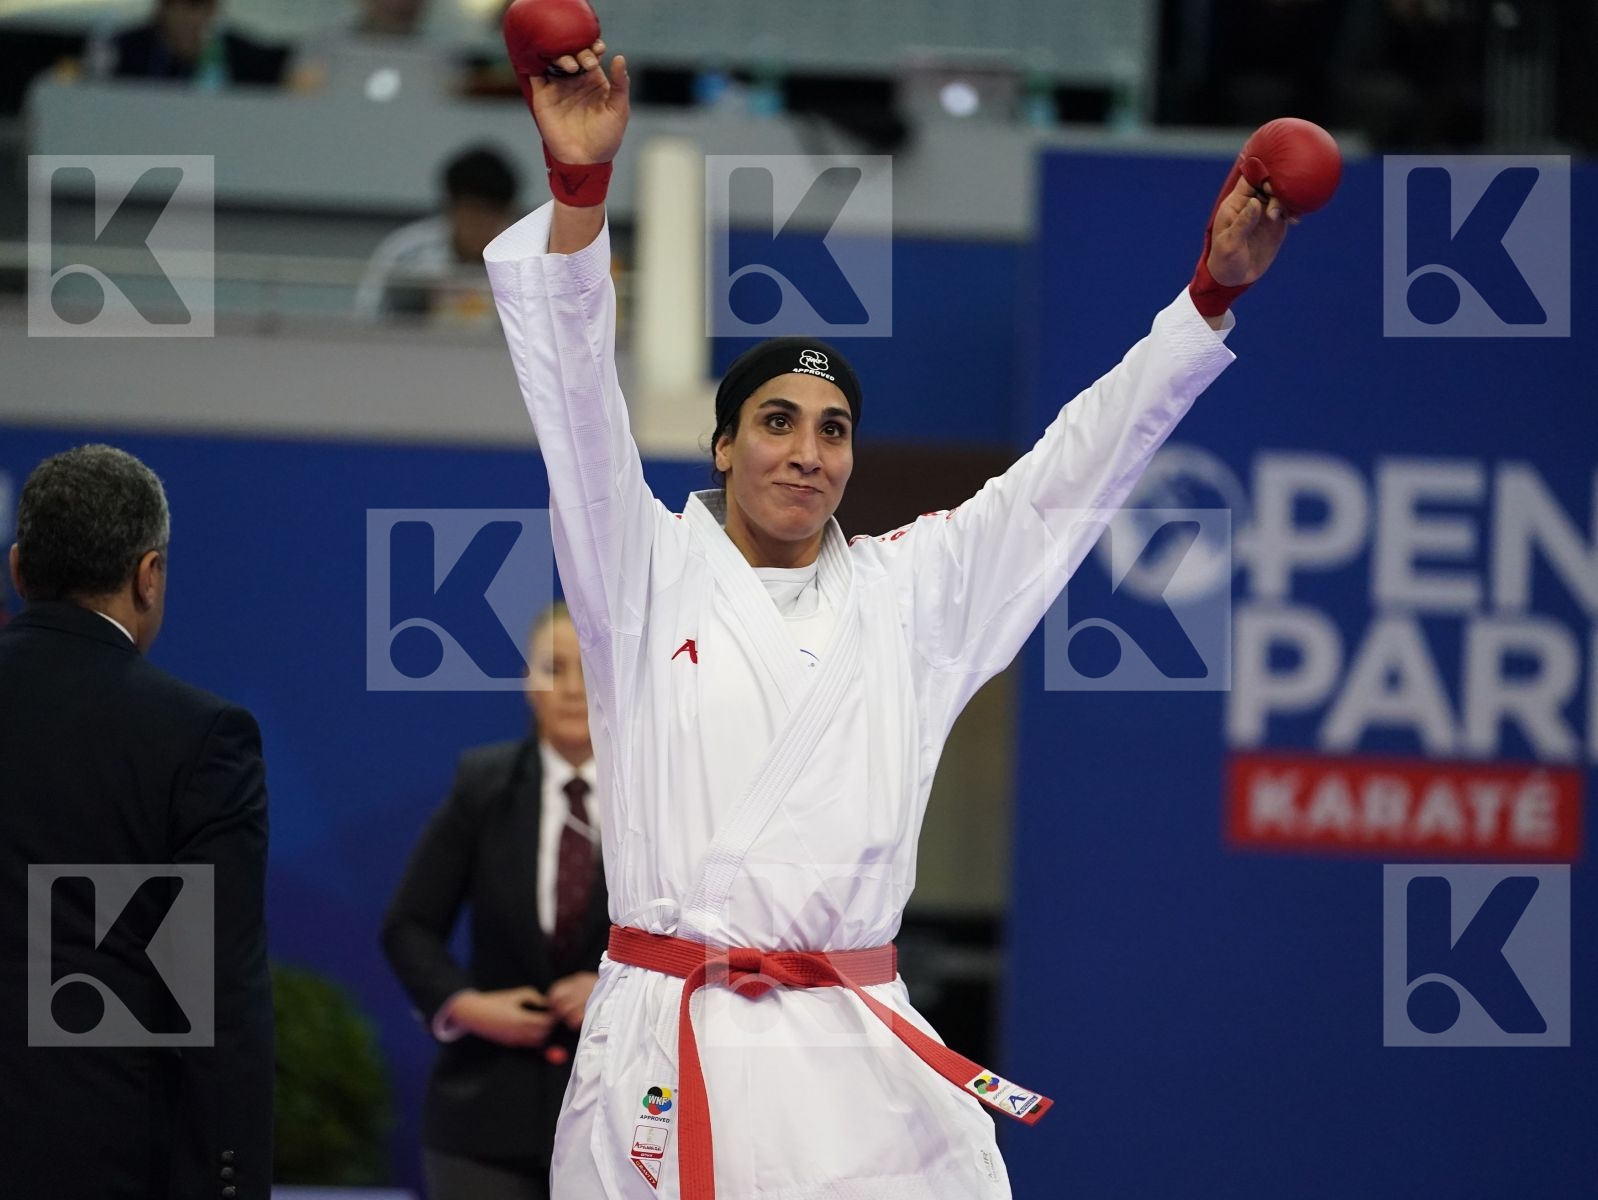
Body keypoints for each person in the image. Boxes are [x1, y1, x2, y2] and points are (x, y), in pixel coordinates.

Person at [484, 37, 1303, 1199]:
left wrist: (1207, 294)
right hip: (670, 1046)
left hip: (849, 1057)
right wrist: (577, 192)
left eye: (832, 430)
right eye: (776, 420)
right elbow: (573, 402)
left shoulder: (908, 596)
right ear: (722, 446)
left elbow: (1066, 476)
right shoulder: (641, 566)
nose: (806, 452)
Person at [0, 444, 274, 1200]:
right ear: (148, 575)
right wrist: (233, 1183)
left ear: (19, 569)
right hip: (103, 1158)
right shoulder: (199, 736)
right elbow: (220, 992)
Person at [381, 602, 608, 1200]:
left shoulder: (661, 795)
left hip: (620, 1109)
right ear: (527, 684)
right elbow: (409, 926)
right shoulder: (483, 785)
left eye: (590, 669)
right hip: (484, 1117)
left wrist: (614, 988)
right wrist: (467, 1007)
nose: (573, 689)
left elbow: (699, 932)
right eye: (554, 669)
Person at [353, 145, 521, 325]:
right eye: (471, 212)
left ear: (506, 215)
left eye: (489, 215)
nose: (478, 227)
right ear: (450, 207)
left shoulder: (522, 260)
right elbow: (368, 317)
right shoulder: (407, 254)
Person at [97, 0, 289, 88]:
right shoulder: (123, 49)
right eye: (176, 6)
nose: (188, 18)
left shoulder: (242, 55)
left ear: (212, 10)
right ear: (162, 8)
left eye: (196, 7)